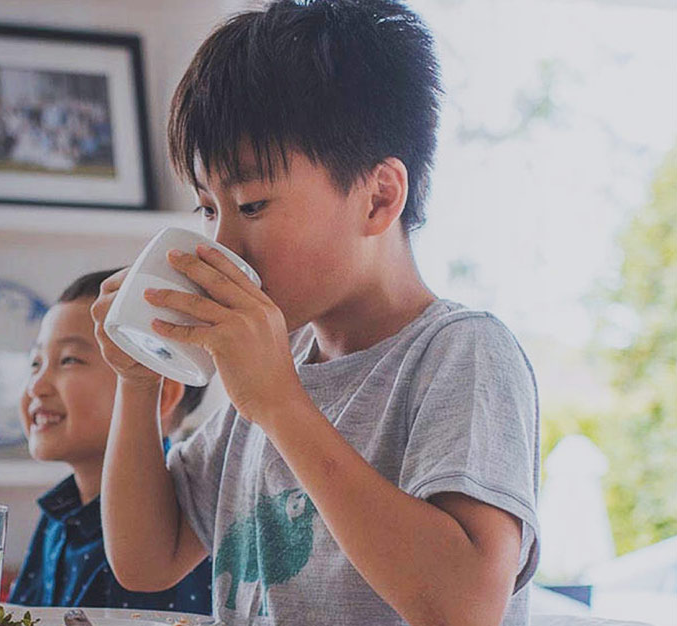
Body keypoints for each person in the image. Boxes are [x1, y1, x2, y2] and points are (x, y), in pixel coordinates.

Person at [93, 1, 540, 624]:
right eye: (207, 208)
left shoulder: (462, 353)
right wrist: (138, 380)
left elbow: (465, 606)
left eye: (251, 205)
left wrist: (280, 403)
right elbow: (146, 559)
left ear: (379, 198)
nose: (221, 244)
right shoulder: (276, 371)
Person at [6, 268, 213, 612]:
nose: (36, 386)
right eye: (35, 362)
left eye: (69, 360)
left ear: (160, 396)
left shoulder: (179, 528)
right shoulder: (58, 517)